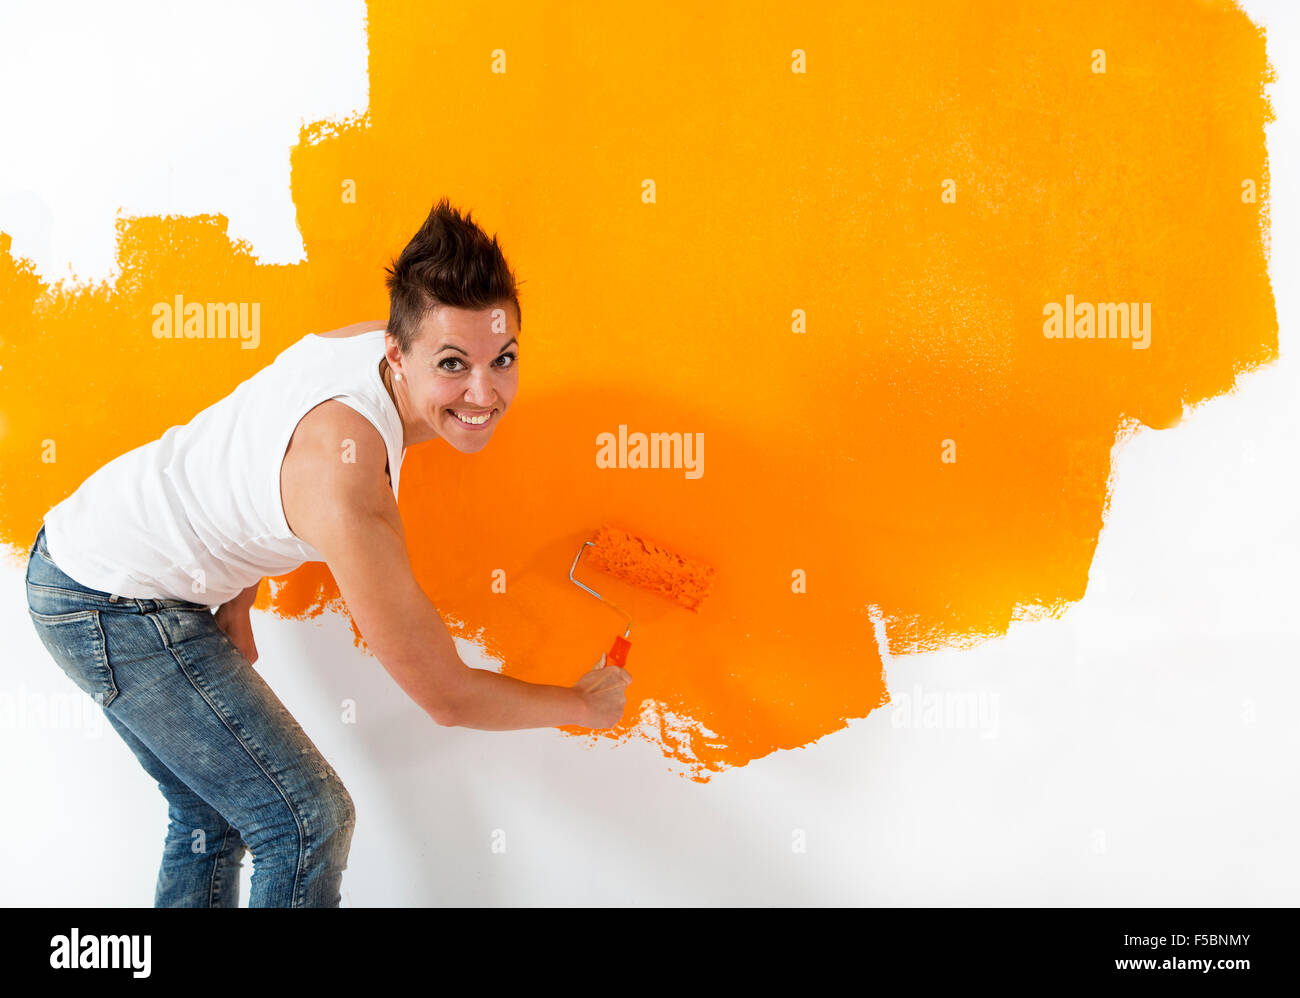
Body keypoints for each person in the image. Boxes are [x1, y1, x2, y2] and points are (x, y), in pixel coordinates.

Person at [24, 197, 632, 907]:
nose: (483, 390)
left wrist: (237, 594)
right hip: (106, 598)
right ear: (396, 354)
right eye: (452, 364)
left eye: (503, 358)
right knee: (306, 820)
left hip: (99, 556)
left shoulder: (362, 346)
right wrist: (582, 706)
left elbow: (247, 442)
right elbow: (447, 695)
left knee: (210, 817)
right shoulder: (351, 490)